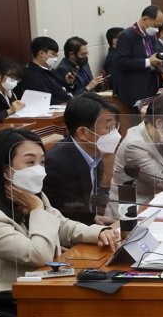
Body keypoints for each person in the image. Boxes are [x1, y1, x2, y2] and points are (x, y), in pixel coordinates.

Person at [0, 128, 120, 293]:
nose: (39, 170)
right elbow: (37, 255)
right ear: (4, 170)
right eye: (30, 163)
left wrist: (99, 233)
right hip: (13, 297)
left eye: (42, 162)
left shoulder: (30, 196)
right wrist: (37, 209)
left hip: (45, 283)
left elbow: (62, 225)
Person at [43, 93, 120, 225]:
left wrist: (94, 218)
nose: (115, 134)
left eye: (115, 127)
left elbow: (88, 204)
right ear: (83, 133)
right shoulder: (56, 164)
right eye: (108, 128)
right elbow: (60, 215)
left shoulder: (96, 153)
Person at [109, 93, 163, 208]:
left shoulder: (162, 134)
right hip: (134, 207)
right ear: (160, 123)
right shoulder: (134, 145)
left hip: (160, 200)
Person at [114, 5, 163, 108]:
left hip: (152, 86)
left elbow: (156, 54)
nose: (157, 29)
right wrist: (148, 62)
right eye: (155, 26)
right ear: (145, 19)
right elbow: (122, 62)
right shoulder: (126, 35)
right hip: (135, 90)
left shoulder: (150, 36)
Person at [19, 36, 71, 104]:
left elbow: (62, 88)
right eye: (53, 54)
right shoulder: (32, 75)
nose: (56, 59)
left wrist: (69, 83)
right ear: (41, 53)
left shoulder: (50, 70)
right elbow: (48, 101)